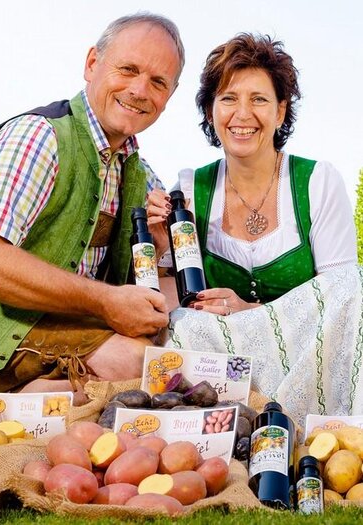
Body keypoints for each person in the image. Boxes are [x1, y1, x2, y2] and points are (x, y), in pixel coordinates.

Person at [0, 13, 184, 402]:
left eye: (157, 82)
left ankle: (35, 397)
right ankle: (4, 400)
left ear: (169, 96)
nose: (139, 90)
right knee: (135, 362)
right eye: (128, 69)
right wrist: (104, 301)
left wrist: (156, 251)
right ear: (91, 64)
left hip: (62, 329)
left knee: (170, 360)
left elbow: (147, 295)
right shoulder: (38, 137)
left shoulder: (143, 178)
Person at [148, 33, 362, 426]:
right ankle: (216, 425)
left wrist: (252, 313)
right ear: (211, 111)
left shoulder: (316, 182)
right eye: (228, 98)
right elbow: (163, 302)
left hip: (307, 359)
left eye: (258, 99)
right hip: (223, 363)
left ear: (280, 113)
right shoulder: (190, 189)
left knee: (354, 285)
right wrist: (160, 247)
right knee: (183, 326)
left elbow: (341, 304)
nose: (242, 114)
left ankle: (324, 427)